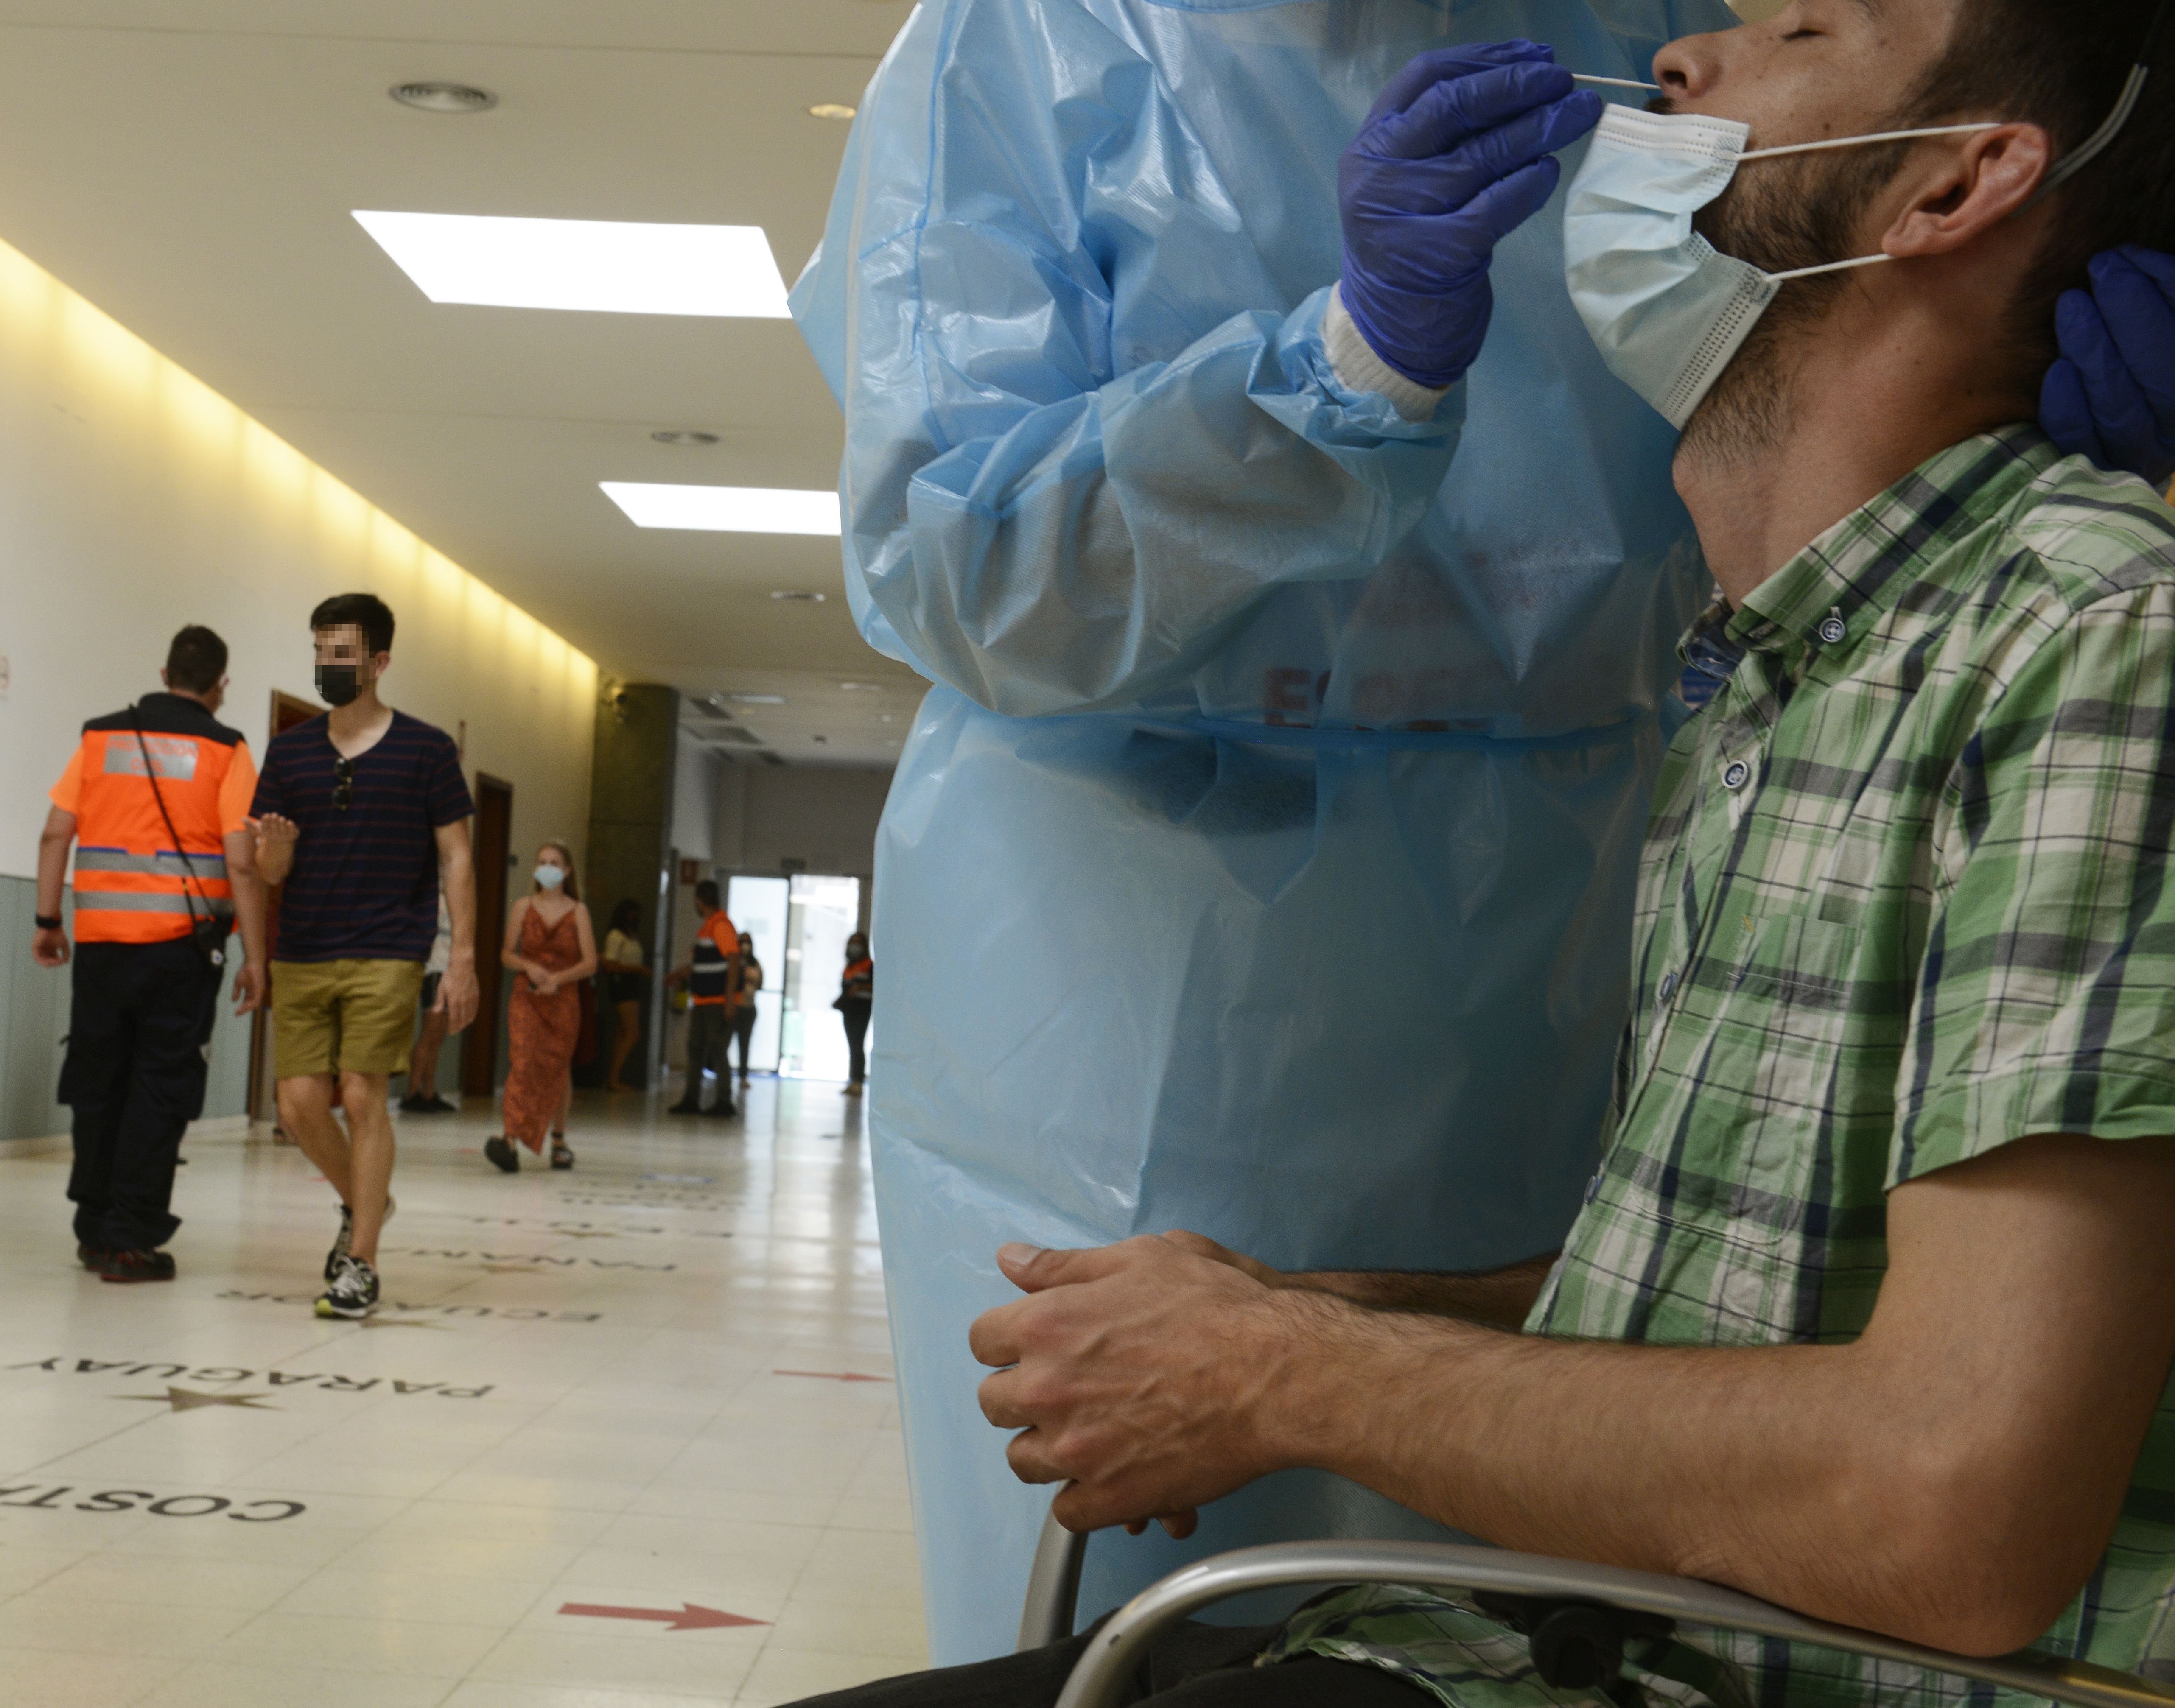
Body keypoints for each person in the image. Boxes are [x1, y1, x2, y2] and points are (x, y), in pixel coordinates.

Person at [789, 2, 2175, 1702]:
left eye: (1798, 22)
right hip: (1119, 1015)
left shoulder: (2081, 636)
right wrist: (1345, 361)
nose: (1675, 65)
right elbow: (958, 555)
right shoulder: (1762, 684)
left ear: (1959, 185)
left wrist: (1286, 1359)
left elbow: (1946, 1493)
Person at [250, 593, 476, 1320]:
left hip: (387, 948)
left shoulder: (427, 749)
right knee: (298, 1106)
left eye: (342, 654)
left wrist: (464, 958)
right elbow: (270, 872)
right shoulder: (288, 753)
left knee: (360, 1093)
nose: (328, 665)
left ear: (379, 661)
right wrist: (273, 852)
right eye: (320, 651)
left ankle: (363, 1262)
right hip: (304, 949)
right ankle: (365, 1200)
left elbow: (457, 856)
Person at [31, 627, 263, 1283]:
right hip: (181, 953)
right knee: (161, 1087)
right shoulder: (226, 749)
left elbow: (56, 831)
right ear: (221, 685)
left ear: (164, 672)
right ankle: (131, 1234)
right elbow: (242, 863)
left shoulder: (101, 737)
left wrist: (49, 919)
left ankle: (95, 1227)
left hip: (101, 948)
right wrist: (255, 955)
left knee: (98, 1080)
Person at [487, 840, 596, 1173]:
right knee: (522, 1059)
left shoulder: (578, 912)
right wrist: (528, 966)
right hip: (527, 995)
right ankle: (509, 1138)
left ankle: (559, 1140)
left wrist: (559, 978)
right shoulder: (523, 906)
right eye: (542, 861)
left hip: (563, 999)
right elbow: (507, 953)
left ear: (566, 870)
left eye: (554, 862)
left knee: (558, 1067)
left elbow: (590, 962)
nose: (547, 866)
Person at [664, 880, 740, 1118]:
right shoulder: (708, 927)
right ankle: (691, 1099)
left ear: (699, 900)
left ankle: (724, 1102)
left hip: (717, 1001)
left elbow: (734, 961)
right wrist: (679, 974)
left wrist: (729, 1000)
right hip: (703, 1001)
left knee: (717, 1049)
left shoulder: (720, 926)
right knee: (695, 1048)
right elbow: (703, 965)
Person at [399, 897, 456, 1115]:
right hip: (435, 969)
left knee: (439, 1036)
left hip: (450, 970)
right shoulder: (435, 897)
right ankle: (413, 1094)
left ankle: (429, 1093)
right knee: (429, 1034)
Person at [598, 898, 650, 1093]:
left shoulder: (632, 936)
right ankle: (613, 1079)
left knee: (622, 1034)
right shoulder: (616, 936)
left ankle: (613, 1078)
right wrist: (638, 970)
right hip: (622, 985)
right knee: (633, 1033)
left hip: (632, 985)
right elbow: (610, 965)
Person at [834, 932, 872, 1097]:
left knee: (858, 1045)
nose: (855, 946)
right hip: (849, 1011)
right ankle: (853, 1080)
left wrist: (860, 988)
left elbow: (875, 986)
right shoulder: (849, 967)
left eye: (858, 943)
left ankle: (858, 1082)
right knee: (853, 1046)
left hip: (862, 1009)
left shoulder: (869, 965)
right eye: (852, 943)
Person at [730, 931, 764, 1086]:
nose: (745, 945)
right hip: (735, 1007)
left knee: (745, 1044)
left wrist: (751, 980)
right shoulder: (734, 961)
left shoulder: (755, 963)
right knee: (726, 1042)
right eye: (742, 942)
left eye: (748, 942)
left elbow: (760, 983)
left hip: (749, 1008)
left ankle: (743, 1076)